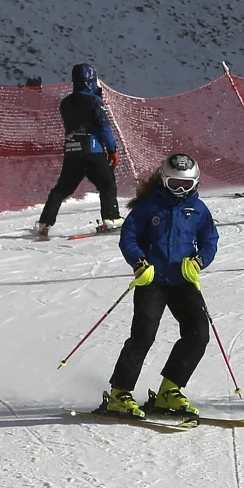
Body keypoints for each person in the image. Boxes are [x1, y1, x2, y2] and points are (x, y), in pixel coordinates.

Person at [96, 153, 219, 422]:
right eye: (174, 184)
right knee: (143, 336)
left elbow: (210, 240)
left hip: (183, 281)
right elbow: (128, 237)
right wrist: (139, 263)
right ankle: (119, 393)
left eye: (186, 185)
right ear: (164, 180)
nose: (180, 190)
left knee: (198, 334)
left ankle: (169, 390)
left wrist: (199, 262)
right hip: (152, 281)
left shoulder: (198, 210)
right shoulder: (148, 207)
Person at [33, 63, 124, 240]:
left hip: (72, 152)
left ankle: (44, 223)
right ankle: (111, 218)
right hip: (93, 150)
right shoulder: (94, 101)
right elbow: (103, 127)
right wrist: (112, 149)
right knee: (107, 184)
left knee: (61, 190)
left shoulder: (65, 103)